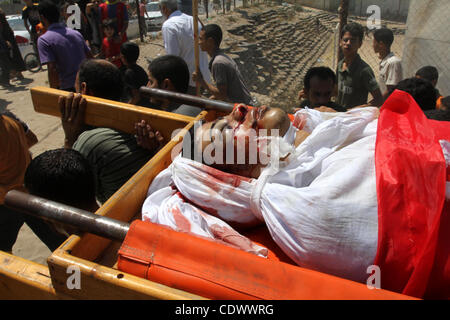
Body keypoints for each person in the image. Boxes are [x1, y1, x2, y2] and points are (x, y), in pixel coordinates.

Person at [141, 89, 450, 299]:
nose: (239, 108)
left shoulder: (315, 131)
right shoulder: (308, 211)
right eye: (228, 129)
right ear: (234, 177)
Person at [59, 59, 162, 204]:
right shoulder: (143, 122)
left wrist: (70, 138)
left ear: (84, 89)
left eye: (75, 89)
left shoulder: (91, 143)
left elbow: (68, 191)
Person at [0, 110, 66, 253]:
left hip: (5, 203)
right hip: (29, 189)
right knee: (58, 240)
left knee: (3, 252)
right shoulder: (9, 118)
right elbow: (32, 139)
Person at [37, 0, 92, 91]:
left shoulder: (44, 40)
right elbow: (90, 57)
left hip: (67, 89)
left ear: (42, 17)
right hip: (85, 85)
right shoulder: (75, 33)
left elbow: (52, 69)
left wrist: (54, 91)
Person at [192, 24, 253, 105]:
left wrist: (201, 81)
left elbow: (222, 95)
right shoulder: (222, 57)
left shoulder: (218, 63)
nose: (199, 43)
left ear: (210, 41)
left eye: (201, 39)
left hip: (241, 107)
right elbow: (225, 90)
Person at [160, 0, 211, 94]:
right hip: (203, 77)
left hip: (189, 81)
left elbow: (173, 58)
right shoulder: (192, 19)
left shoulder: (169, 25)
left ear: (164, 9)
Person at [336, 22, 383, 109]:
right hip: (339, 115)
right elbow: (336, 91)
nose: (348, 43)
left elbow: (379, 99)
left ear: (360, 44)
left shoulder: (364, 70)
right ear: (340, 42)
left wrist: (356, 110)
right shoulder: (340, 65)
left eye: (353, 40)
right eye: (345, 40)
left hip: (354, 118)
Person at [373, 27, 403, 99]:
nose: (373, 45)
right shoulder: (385, 62)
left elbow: (391, 89)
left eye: (374, 42)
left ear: (381, 44)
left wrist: (376, 102)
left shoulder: (393, 62)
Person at [119, 41, 151, 106]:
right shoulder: (139, 69)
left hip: (141, 106)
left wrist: (126, 107)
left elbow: (136, 97)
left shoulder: (129, 73)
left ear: (123, 57)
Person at [0, 9, 26, 82]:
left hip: (7, 40)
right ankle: (17, 74)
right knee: (13, 56)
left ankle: (15, 74)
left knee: (10, 58)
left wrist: (6, 41)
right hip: (9, 39)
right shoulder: (5, 23)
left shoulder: (3, 23)